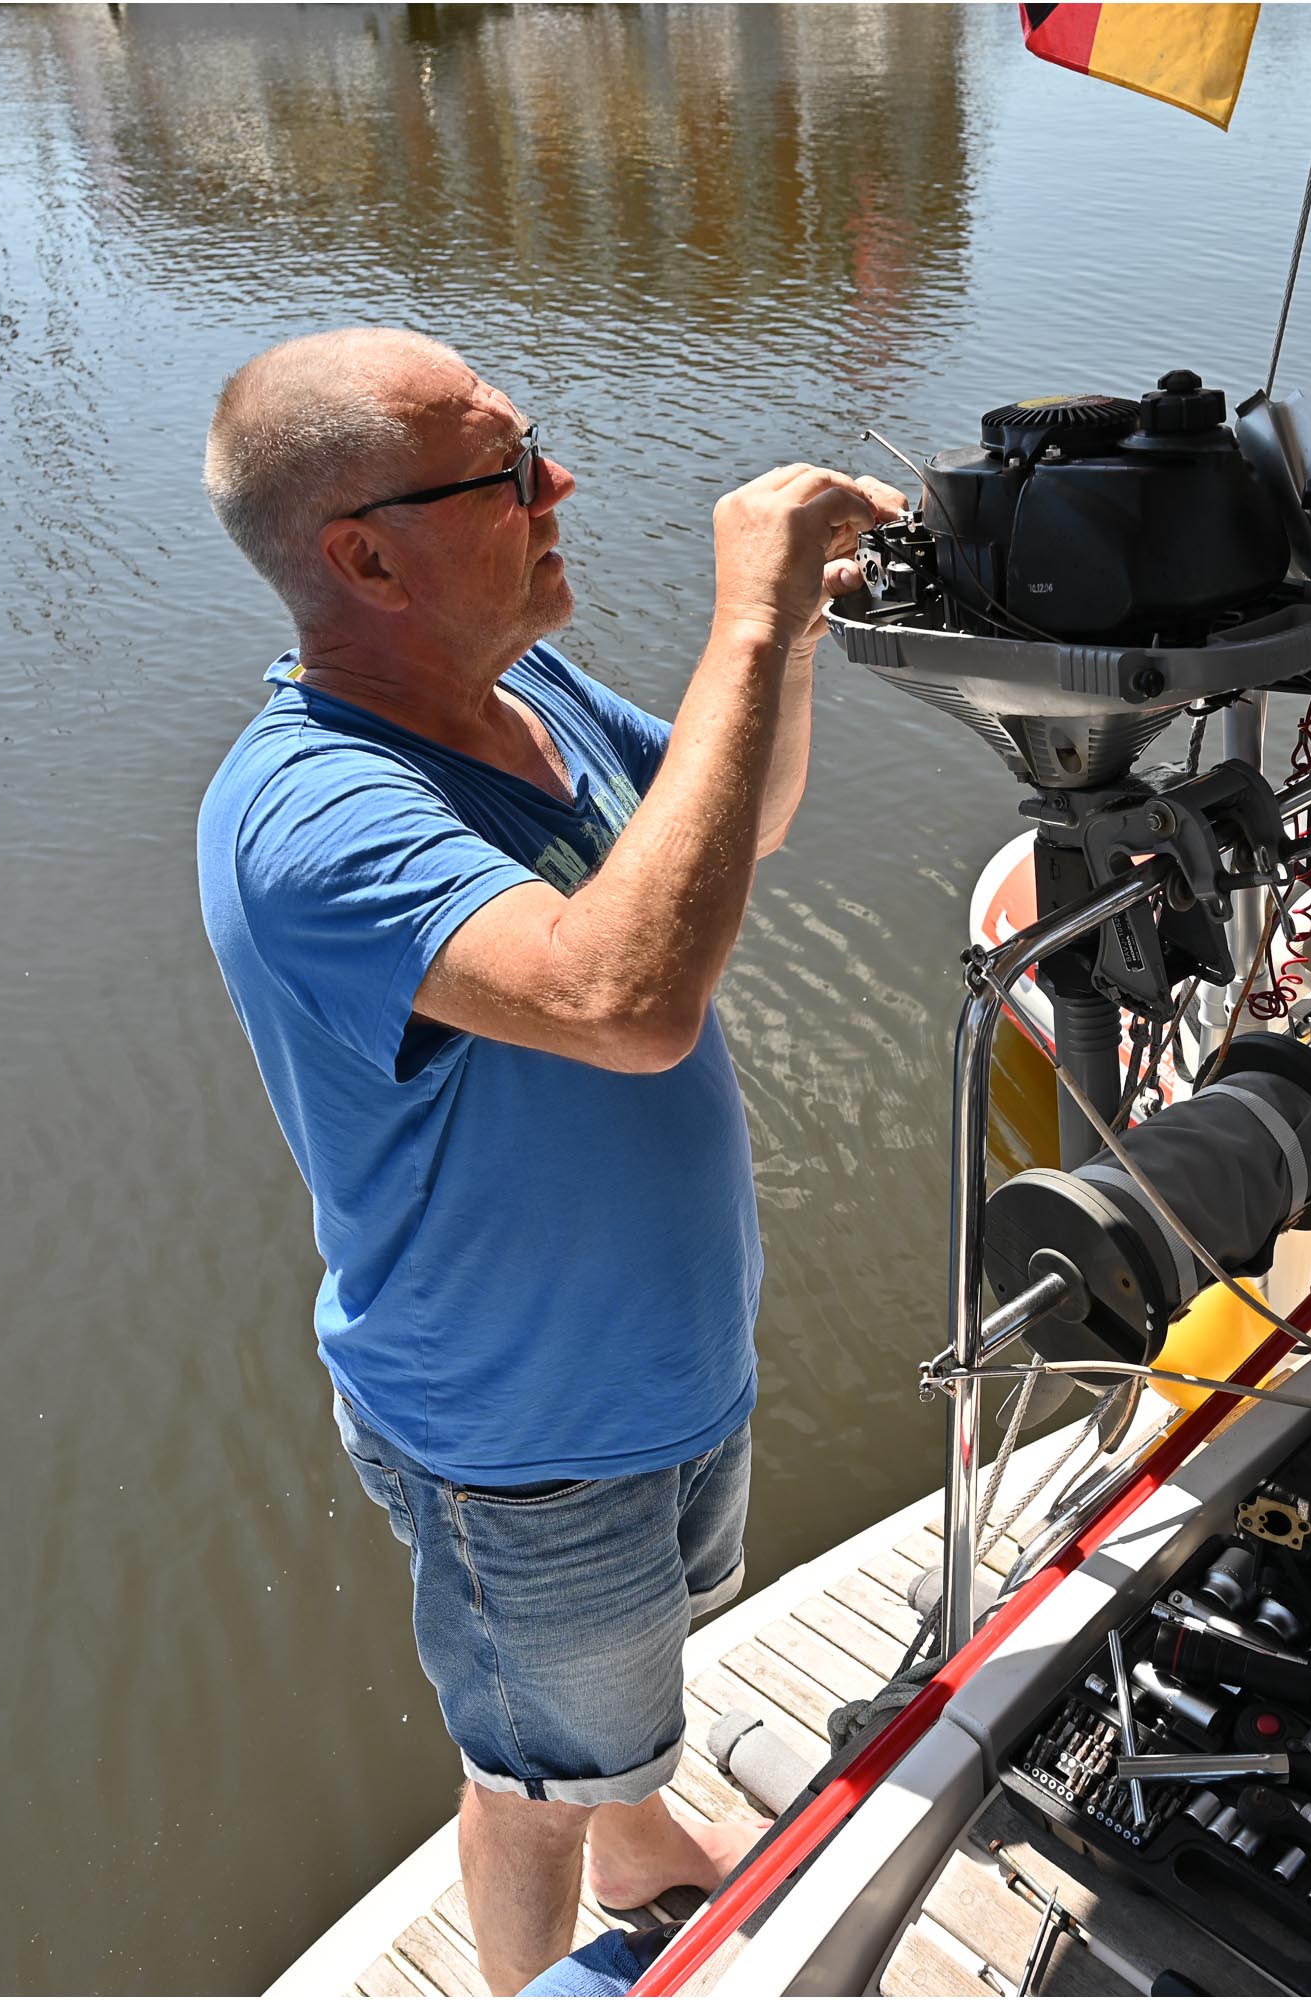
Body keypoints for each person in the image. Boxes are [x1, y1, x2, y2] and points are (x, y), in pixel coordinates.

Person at [194, 328, 903, 1994]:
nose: (559, 486)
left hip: (663, 1369)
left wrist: (787, 638)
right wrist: (736, 614)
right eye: (508, 473)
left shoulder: (523, 699)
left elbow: (735, 831)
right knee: (527, 1778)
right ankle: (525, 1976)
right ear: (362, 555)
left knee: (622, 1704)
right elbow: (626, 998)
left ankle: (644, 1846)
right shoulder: (316, 819)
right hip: (524, 1436)